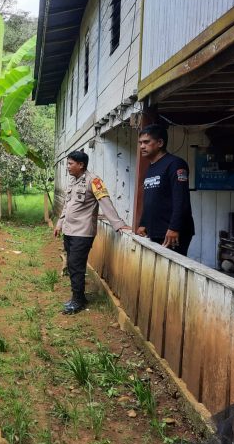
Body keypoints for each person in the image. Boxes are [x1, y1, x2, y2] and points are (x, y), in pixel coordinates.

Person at [54, 151, 130, 315]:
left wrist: (118, 224)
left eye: (70, 164)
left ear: (81, 165)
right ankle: (78, 296)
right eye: (68, 163)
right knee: (72, 265)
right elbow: (67, 206)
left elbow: (105, 202)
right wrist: (59, 223)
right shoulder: (73, 181)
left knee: (76, 265)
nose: (68, 167)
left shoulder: (94, 181)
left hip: (83, 232)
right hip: (69, 230)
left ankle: (78, 300)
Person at [136, 124, 194, 256]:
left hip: (172, 233)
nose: (142, 147)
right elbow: (150, 199)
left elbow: (181, 199)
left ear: (160, 142)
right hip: (155, 231)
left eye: (146, 142)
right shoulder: (151, 167)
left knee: (172, 274)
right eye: (140, 143)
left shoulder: (175, 164)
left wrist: (174, 227)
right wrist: (143, 223)